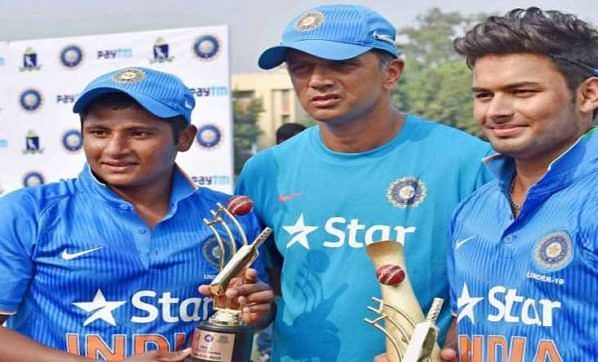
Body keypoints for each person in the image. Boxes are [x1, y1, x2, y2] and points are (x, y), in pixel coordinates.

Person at [235, 4, 491, 361]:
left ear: (392, 72)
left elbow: (496, 289)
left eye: (342, 65)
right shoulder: (265, 170)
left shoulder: (470, 163)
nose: (318, 81)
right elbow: (270, 280)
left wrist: (452, 346)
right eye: (301, 68)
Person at [0, 67, 273, 361]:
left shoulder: (230, 216)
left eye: (138, 133)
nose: (115, 149)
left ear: (185, 138)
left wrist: (256, 312)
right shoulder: (29, 212)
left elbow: (250, 316)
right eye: (99, 132)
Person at [447, 8, 598, 360]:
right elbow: (467, 332)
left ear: (588, 95)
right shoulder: (471, 210)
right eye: (484, 95)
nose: (496, 111)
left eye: (521, 92)